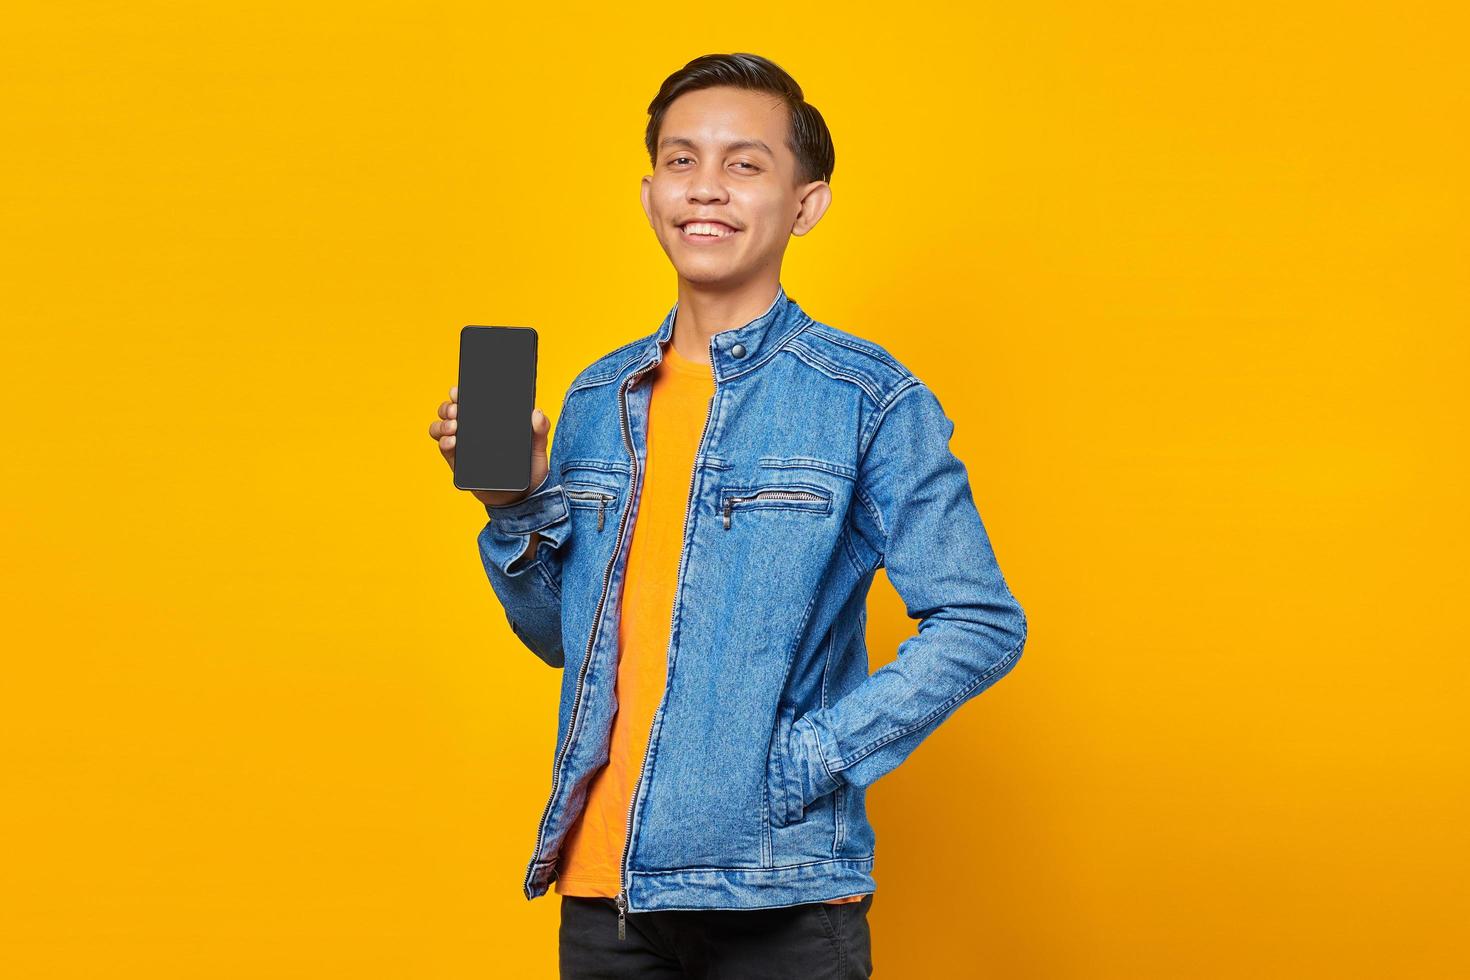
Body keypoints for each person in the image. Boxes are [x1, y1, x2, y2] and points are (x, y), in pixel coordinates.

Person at [429, 52, 1028, 979]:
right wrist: (515, 505)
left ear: (805, 204)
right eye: (681, 160)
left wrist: (808, 759)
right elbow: (567, 642)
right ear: (648, 190)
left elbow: (981, 621)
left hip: (777, 898)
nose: (705, 189)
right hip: (605, 896)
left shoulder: (868, 398)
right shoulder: (599, 397)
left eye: (744, 165)